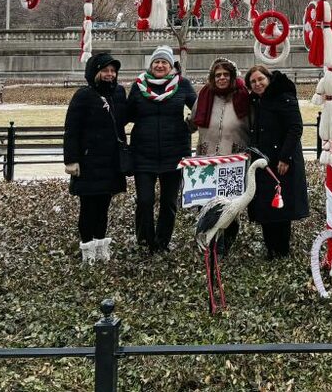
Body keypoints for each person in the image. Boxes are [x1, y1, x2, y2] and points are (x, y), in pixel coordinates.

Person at [126, 45, 197, 253]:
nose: (159, 65)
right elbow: (126, 114)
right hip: (143, 154)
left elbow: (199, 108)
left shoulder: (182, 85)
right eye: (156, 62)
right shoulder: (139, 86)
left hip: (174, 153)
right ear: (150, 65)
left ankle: (162, 242)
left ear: (171, 65)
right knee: (145, 201)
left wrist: (190, 123)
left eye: (164, 62)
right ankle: (145, 239)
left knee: (169, 202)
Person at [63, 52, 128, 264]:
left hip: (110, 161)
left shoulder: (119, 93)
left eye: (113, 71)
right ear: (95, 72)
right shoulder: (83, 95)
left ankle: (101, 244)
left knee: (104, 206)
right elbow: (72, 129)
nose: (110, 74)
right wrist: (71, 159)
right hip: (89, 161)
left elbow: (125, 119)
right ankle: (87, 248)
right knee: (88, 207)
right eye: (105, 70)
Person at [245, 64, 309, 259]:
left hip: (281, 161)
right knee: (265, 206)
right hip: (263, 161)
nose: (257, 84)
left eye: (260, 79)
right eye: (253, 82)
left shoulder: (284, 97)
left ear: (269, 79)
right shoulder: (256, 101)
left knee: (280, 207)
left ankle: (281, 249)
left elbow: (295, 127)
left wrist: (285, 157)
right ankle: (270, 247)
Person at [191, 58, 251, 157]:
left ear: (232, 76)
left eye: (226, 74)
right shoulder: (203, 97)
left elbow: (254, 126)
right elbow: (192, 123)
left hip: (236, 158)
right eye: (218, 75)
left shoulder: (244, 96)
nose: (222, 78)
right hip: (207, 157)